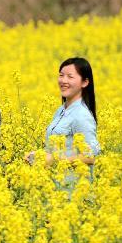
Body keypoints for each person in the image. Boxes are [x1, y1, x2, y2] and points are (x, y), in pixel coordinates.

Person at [27, 57, 100, 191]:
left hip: (73, 191)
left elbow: (91, 157)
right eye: (61, 76)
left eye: (70, 77)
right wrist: (38, 155)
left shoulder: (82, 115)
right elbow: (58, 150)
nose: (63, 81)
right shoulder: (60, 111)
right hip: (55, 187)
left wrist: (55, 160)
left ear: (84, 82)